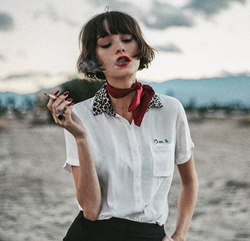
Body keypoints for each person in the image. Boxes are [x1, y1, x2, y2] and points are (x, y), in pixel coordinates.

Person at [47, 10, 199, 241]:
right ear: (94, 59)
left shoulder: (171, 110)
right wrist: (81, 137)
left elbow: (189, 181)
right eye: (106, 44)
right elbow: (90, 209)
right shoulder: (79, 116)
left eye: (127, 40)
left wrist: (179, 235)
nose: (120, 48)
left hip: (150, 234)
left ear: (139, 48)